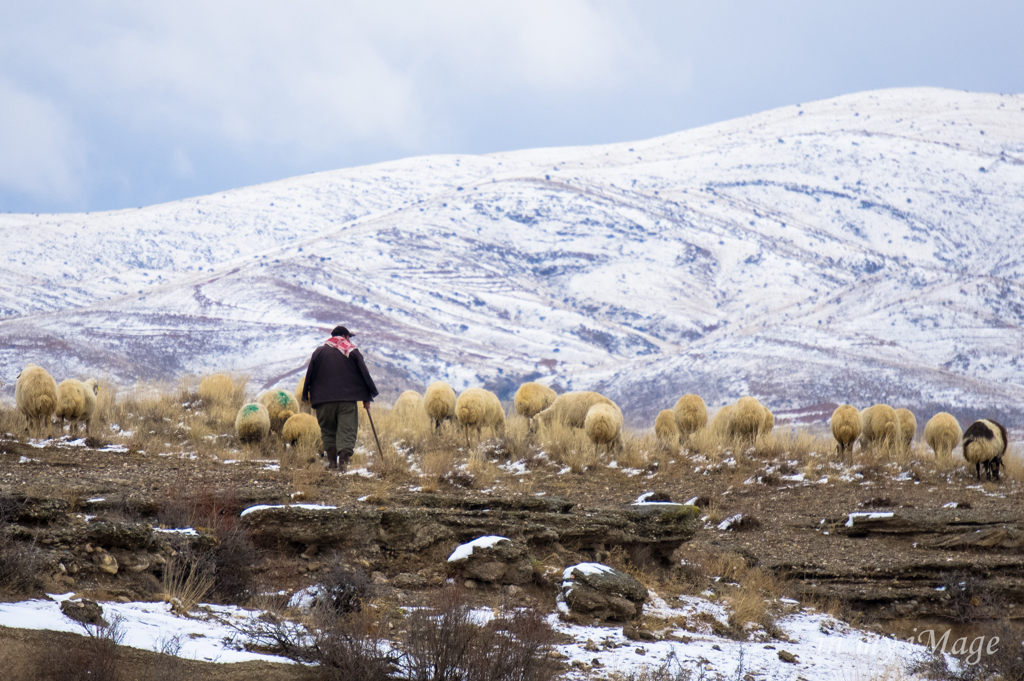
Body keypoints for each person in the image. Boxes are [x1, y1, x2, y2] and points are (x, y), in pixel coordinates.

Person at [301, 325, 379, 471]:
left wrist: (306, 395)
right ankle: (342, 466)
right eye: (348, 336)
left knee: (328, 431)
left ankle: (331, 464)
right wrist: (368, 395)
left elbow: (309, 374)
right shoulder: (351, 351)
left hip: (323, 401)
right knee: (347, 430)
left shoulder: (319, 352)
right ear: (344, 336)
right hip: (346, 400)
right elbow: (364, 373)